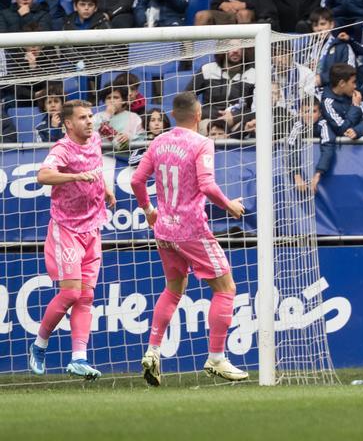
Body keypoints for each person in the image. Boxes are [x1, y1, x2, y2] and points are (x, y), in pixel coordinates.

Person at [131, 92, 248, 386]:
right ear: (198, 116)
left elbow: (136, 180)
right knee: (225, 289)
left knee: (173, 289)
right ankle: (216, 358)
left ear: (172, 115)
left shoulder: (159, 141)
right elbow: (207, 185)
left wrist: (148, 210)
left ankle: (153, 351)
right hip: (191, 230)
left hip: (164, 231)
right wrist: (230, 205)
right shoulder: (201, 143)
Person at [29, 100, 116, 379]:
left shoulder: (96, 140)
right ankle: (39, 345)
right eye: (82, 117)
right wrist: (75, 175)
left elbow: (97, 167)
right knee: (70, 293)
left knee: (87, 295)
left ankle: (79, 358)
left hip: (93, 227)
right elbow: (43, 175)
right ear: (68, 123)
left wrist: (106, 189)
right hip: (66, 228)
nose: (90, 121)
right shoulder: (62, 149)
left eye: (90, 116)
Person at [186, 46, 256, 122]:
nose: (235, 50)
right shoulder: (207, 69)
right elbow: (186, 96)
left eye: (239, 47)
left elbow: (255, 108)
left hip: (239, 122)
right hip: (209, 119)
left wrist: (235, 117)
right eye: (231, 46)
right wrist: (204, 112)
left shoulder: (254, 74)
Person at [291, 101, 336, 194]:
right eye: (306, 111)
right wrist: (297, 176)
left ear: (319, 113)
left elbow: (328, 148)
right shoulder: (297, 125)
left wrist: (317, 175)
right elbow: (291, 149)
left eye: (314, 111)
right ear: (300, 112)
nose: (310, 115)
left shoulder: (323, 124)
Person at [311, 8, 356, 90]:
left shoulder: (343, 47)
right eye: (315, 25)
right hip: (311, 93)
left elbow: (349, 74)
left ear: (331, 25)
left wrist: (322, 79)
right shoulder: (310, 48)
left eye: (322, 24)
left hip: (334, 94)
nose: (319, 28)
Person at [320, 63, 363, 139]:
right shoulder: (327, 103)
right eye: (353, 82)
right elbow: (341, 128)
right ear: (342, 83)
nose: (355, 86)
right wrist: (355, 106)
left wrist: (357, 131)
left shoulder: (355, 96)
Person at [93, 85, 146, 151]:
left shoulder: (134, 117)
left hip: (126, 156)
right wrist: (107, 114)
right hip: (104, 156)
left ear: (124, 100)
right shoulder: (97, 116)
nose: (112, 101)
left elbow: (142, 137)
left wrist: (129, 137)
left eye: (116, 97)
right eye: (108, 98)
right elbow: (92, 133)